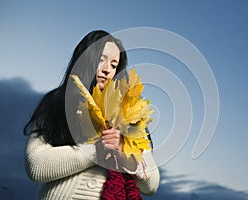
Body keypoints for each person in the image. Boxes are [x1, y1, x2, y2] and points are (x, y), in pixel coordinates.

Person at [24, 30, 160, 199]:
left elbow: (152, 184)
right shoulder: (57, 102)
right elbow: (36, 166)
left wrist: (124, 152)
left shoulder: (132, 114)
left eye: (113, 64)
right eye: (101, 60)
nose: (106, 70)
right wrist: (97, 150)